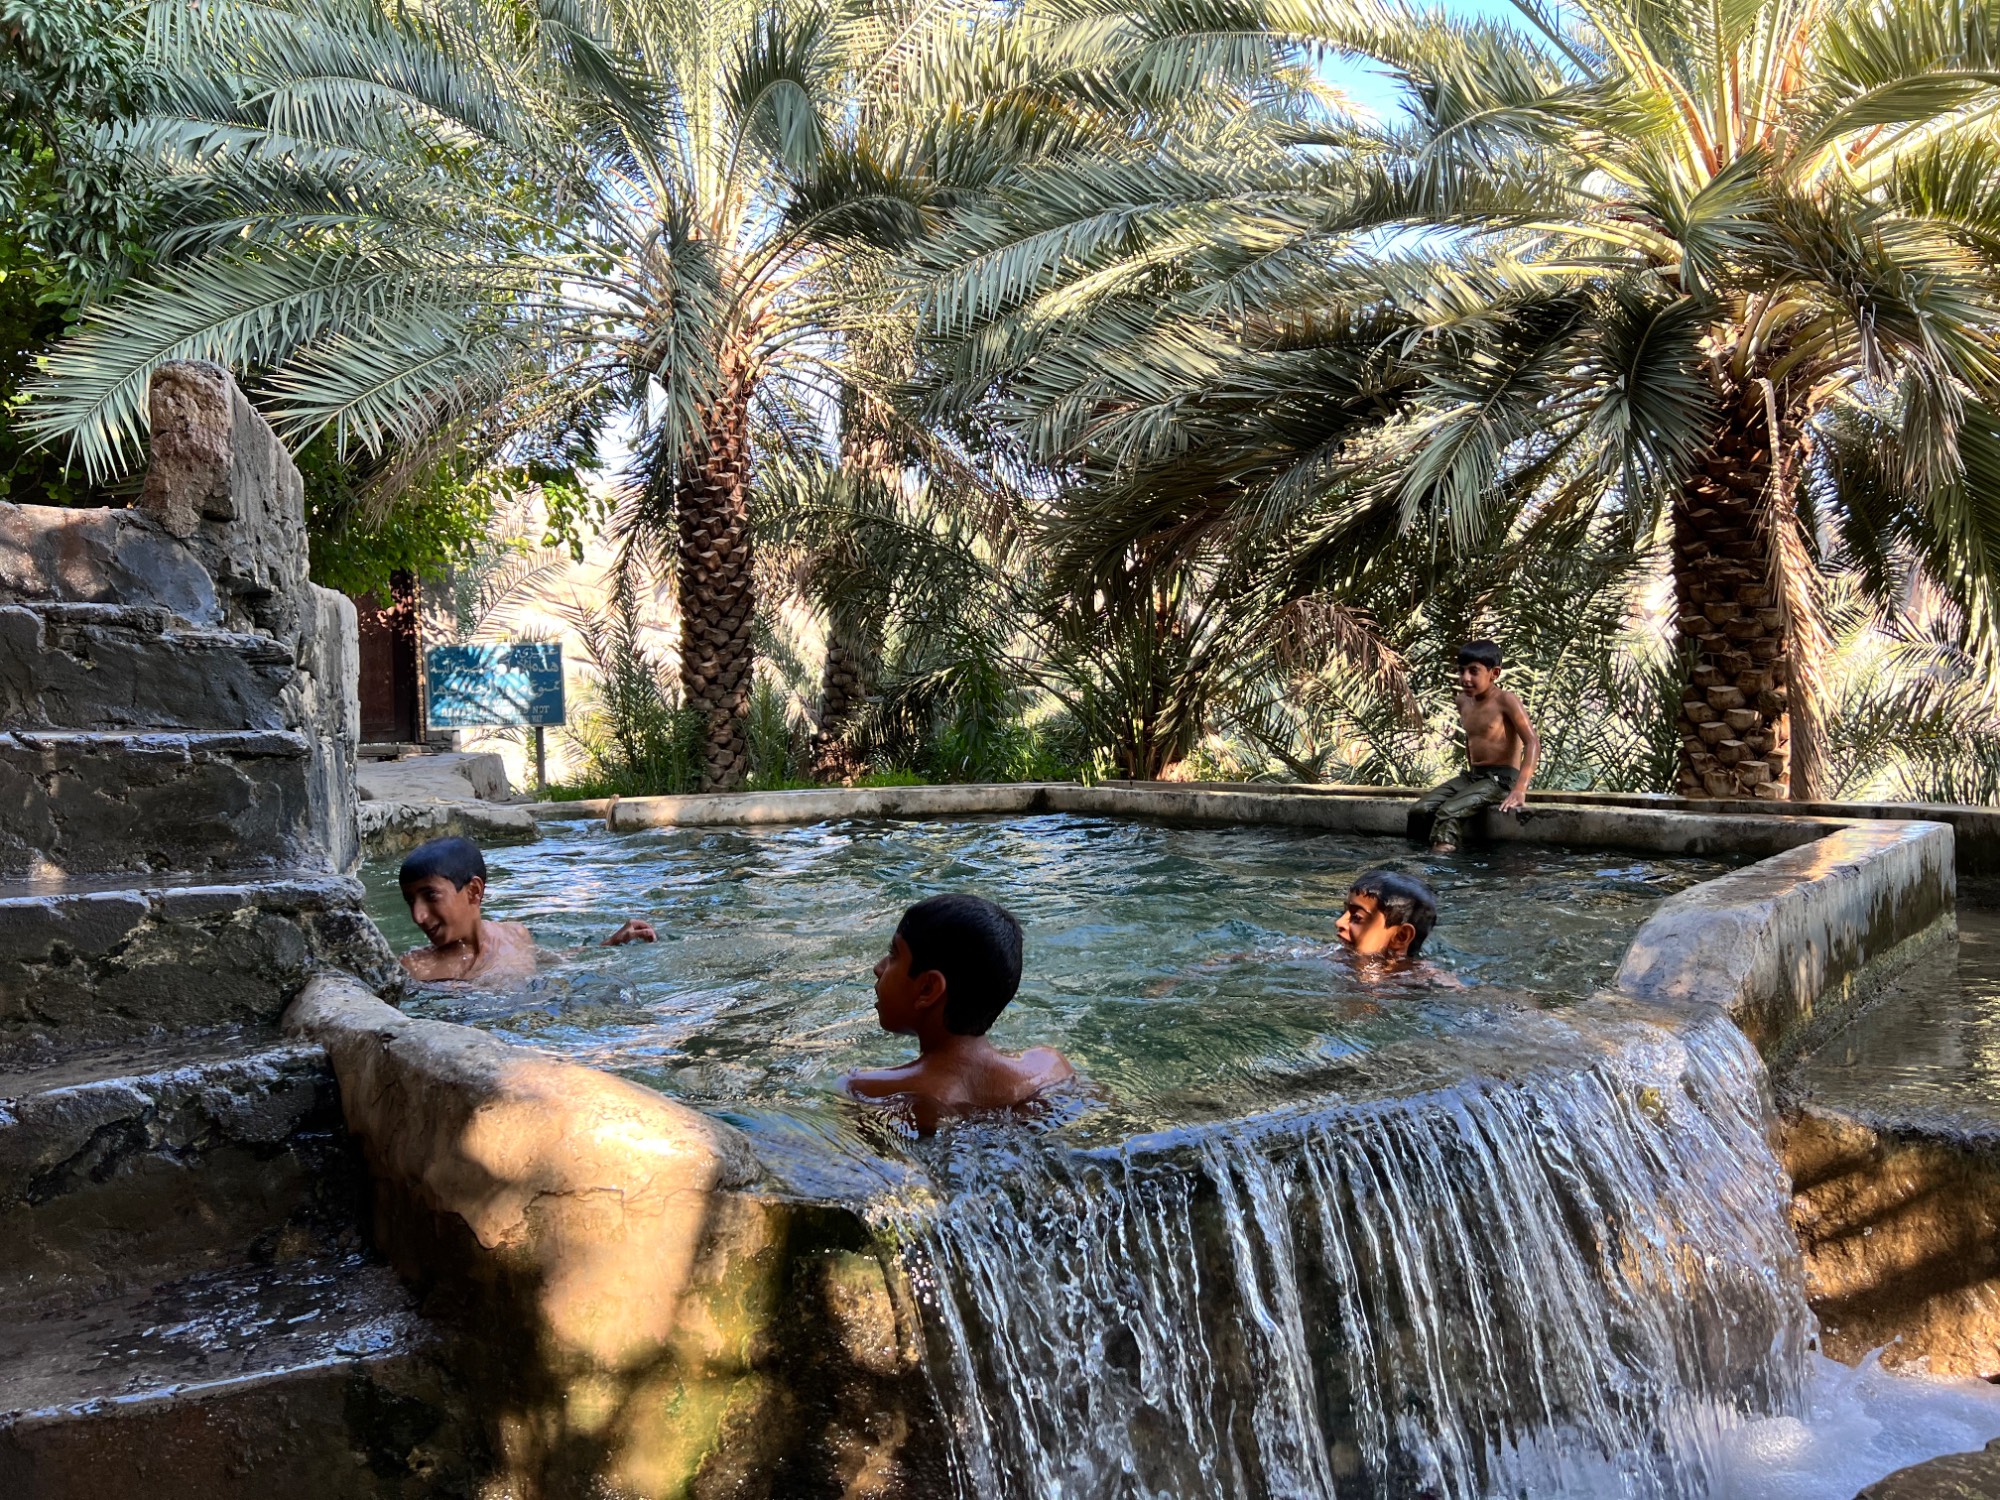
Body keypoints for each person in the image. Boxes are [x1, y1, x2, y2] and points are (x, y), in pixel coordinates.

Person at [844, 893, 1074, 1131]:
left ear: (927, 989)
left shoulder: (868, 1090)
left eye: (893, 955)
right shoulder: (1050, 1068)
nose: (878, 968)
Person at [397, 836, 655, 984]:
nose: (418, 916)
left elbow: (557, 961)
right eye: (410, 901)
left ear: (474, 891)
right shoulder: (415, 969)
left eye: (431, 896)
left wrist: (610, 943)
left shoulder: (515, 935)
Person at [1408, 639, 1540, 854]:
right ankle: (1414, 857)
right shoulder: (1462, 701)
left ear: (1494, 673)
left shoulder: (1506, 700)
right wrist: (1471, 779)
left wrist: (1519, 789)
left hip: (1501, 779)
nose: (1465, 678)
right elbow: (1472, 741)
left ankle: (1440, 865)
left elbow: (1532, 742)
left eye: (1474, 671)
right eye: (1462, 671)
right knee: (1419, 810)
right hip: (1473, 777)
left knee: (1449, 811)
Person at [1334, 867, 1438, 963]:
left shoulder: (1429, 981)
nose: (1339, 922)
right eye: (1344, 912)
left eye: (1356, 917)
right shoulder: (1330, 956)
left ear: (1400, 937)